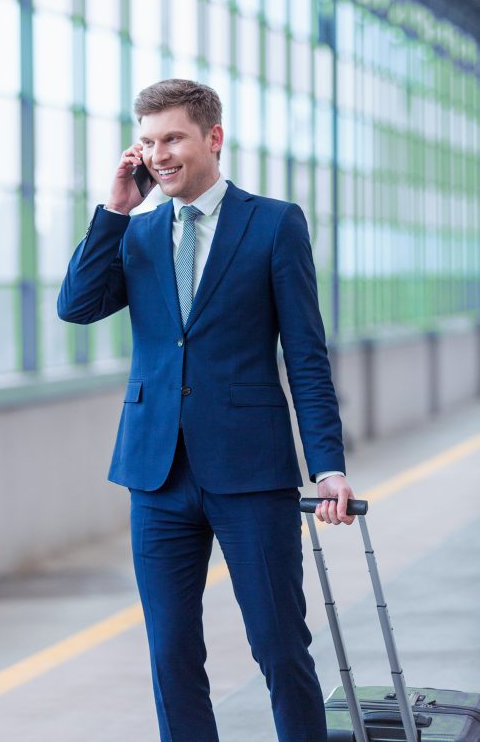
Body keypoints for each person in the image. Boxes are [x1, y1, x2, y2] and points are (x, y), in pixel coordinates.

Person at [57, 78, 356, 742]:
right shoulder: (134, 236)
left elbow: (305, 354)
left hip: (250, 470)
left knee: (279, 648)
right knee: (170, 656)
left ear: (212, 138)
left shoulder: (273, 223)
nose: (157, 154)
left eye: (171, 138)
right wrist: (112, 209)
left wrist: (327, 467)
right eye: (146, 141)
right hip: (156, 474)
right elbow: (75, 305)